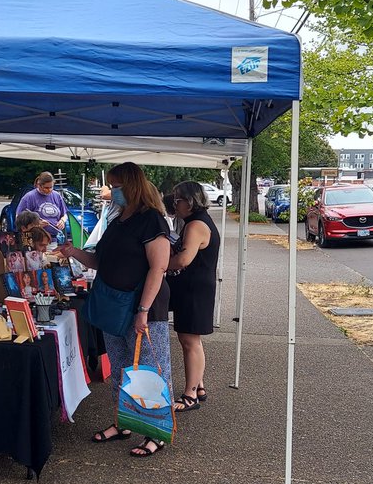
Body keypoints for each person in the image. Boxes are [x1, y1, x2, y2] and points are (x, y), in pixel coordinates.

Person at [59, 162, 172, 458]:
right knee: (122, 369)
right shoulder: (118, 217)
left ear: (131, 185)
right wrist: (74, 253)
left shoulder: (152, 220)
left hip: (141, 307)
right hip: (113, 306)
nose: (111, 191)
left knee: (147, 370)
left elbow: (158, 267)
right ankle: (123, 422)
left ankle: (154, 432)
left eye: (116, 185)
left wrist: (143, 310)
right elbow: (100, 261)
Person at [166, 181, 221, 412]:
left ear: (189, 201)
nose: (174, 203)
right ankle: (198, 385)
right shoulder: (195, 222)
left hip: (194, 289)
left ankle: (190, 395)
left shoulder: (196, 225)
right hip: (193, 287)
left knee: (190, 341)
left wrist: (160, 267)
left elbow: (183, 260)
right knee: (190, 340)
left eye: (177, 199)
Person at [16, 172, 68, 241]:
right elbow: (18, 219)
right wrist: (36, 224)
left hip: (53, 239)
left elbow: (65, 214)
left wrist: (62, 220)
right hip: (35, 239)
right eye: (46, 188)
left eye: (51, 187)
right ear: (39, 185)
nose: (49, 190)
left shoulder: (57, 196)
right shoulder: (29, 197)